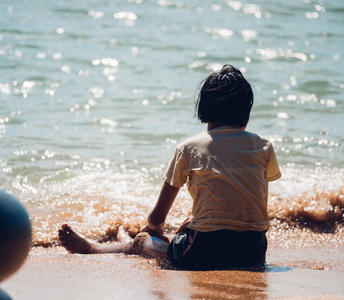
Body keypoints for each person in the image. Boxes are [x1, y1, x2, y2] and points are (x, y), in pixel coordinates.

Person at [58, 64, 282, 270]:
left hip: (205, 254)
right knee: (190, 233)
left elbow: (156, 218)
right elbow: (245, 203)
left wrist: (154, 229)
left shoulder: (188, 148)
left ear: (204, 109)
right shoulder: (263, 146)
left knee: (146, 241)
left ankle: (95, 248)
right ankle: (139, 240)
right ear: (246, 113)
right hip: (253, 252)